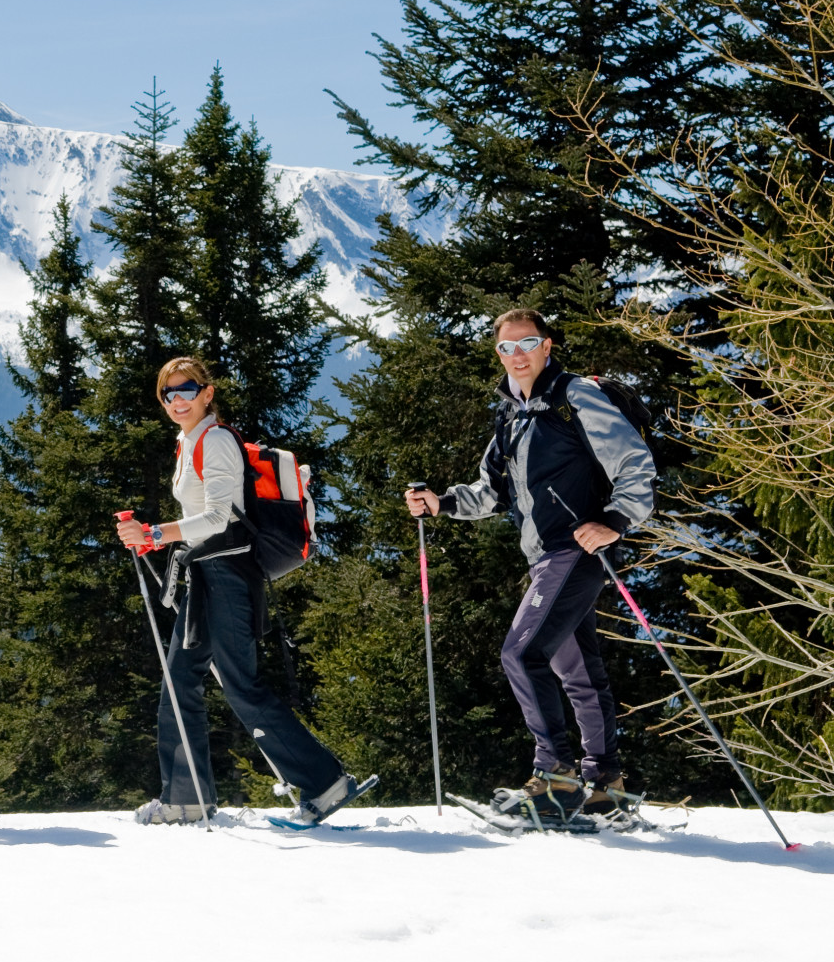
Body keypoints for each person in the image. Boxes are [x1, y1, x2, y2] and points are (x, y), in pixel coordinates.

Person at [405, 308, 656, 817]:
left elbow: (635, 462)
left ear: (547, 346)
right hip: (546, 556)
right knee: (577, 669)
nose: (516, 355)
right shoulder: (511, 415)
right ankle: (606, 783)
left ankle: (555, 780)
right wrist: (443, 502)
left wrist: (615, 520)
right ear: (498, 353)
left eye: (527, 343)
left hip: (576, 548)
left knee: (521, 654)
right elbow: (491, 491)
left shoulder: (574, 395)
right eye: (506, 347)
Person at [116, 357, 363, 827]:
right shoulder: (187, 442)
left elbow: (220, 517)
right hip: (206, 575)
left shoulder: (217, 441)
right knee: (179, 678)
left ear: (208, 393)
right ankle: (185, 798)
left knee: (241, 685)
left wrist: (155, 534)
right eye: (168, 394)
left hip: (228, 574)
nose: (178, 401)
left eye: (187, 389)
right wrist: (162, 536)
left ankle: (325, 783)